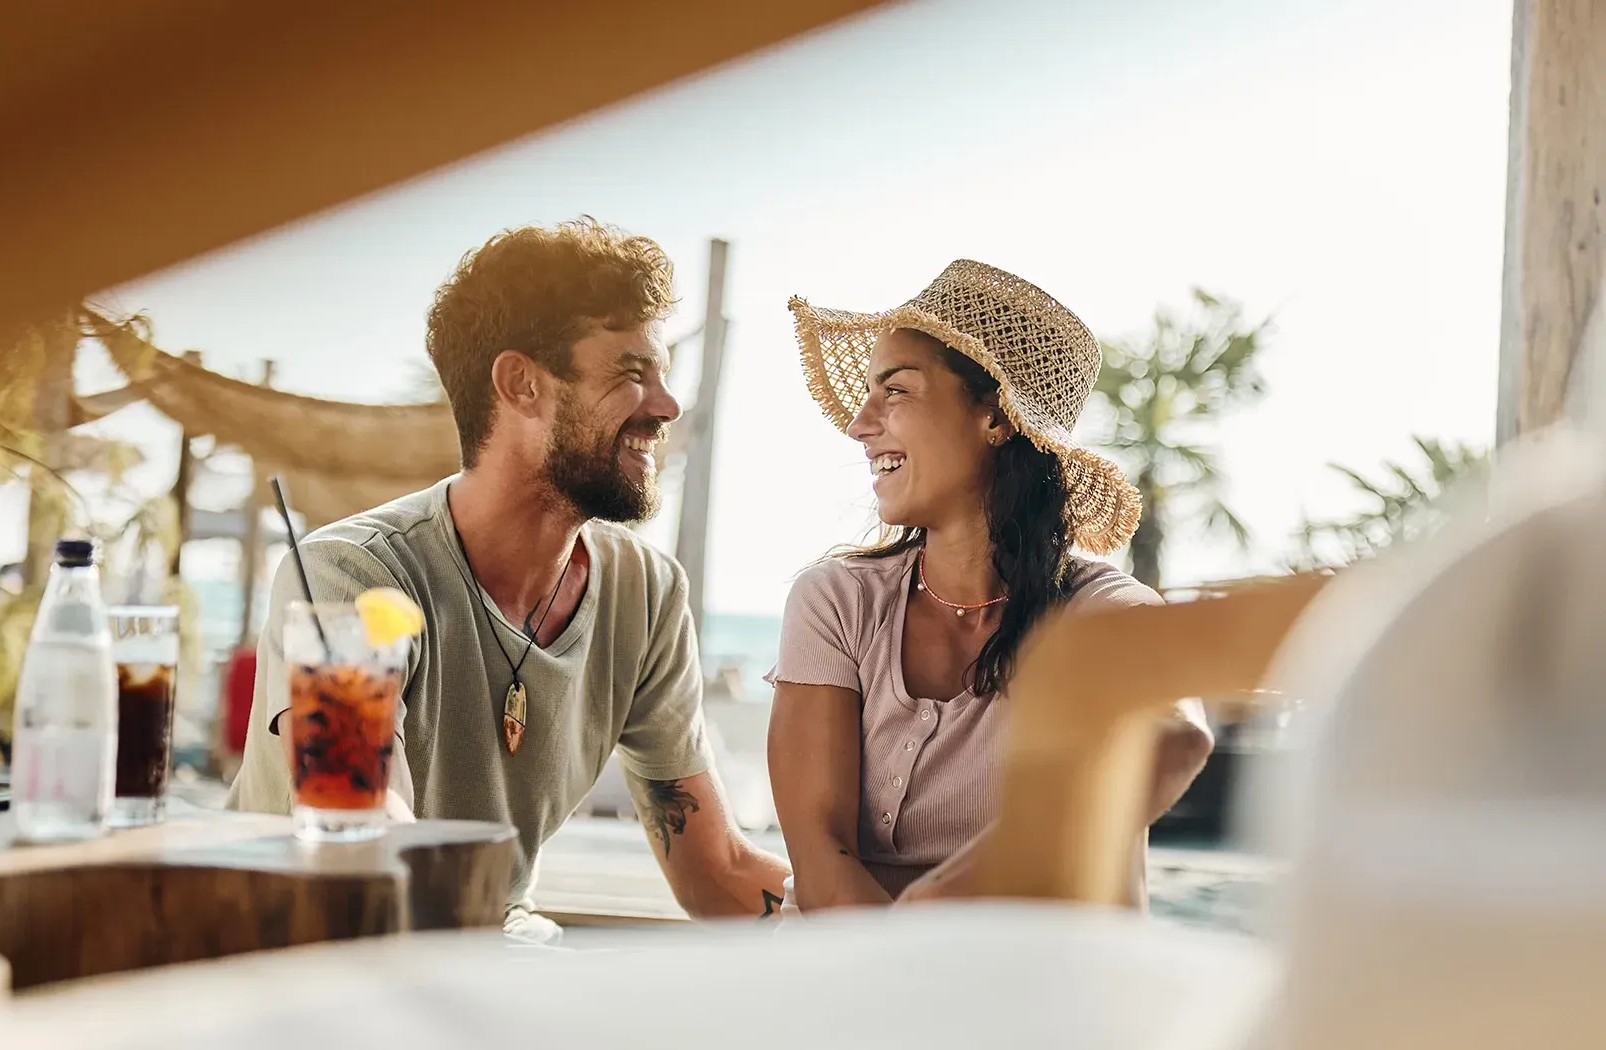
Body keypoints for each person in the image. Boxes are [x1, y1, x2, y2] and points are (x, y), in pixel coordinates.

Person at [227, 218, 790, 939]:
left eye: (661, 377)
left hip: (480, 964)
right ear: (521, 384)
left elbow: (717, 874)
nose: (666, 406)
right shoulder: (353, 575)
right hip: (301, 965)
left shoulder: (645, 594)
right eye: (630, 374)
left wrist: (907, 933)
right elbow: (366, 829)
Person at [767, 260, 1214, 912]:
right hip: (845, 984)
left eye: (895, 391)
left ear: (997, 419)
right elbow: (820, 858)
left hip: (1031, 998)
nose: (861, 424)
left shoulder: (1099, 613)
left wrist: (936, 903)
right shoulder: (836, 601)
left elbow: (1178, 734)